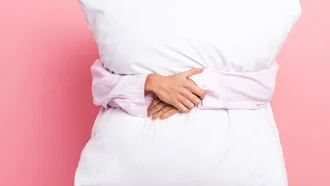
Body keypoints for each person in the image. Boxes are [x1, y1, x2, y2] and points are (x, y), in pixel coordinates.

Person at [74, 0, 302, 185]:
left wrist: (193, 87)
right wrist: (152, 84)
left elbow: (262, 87)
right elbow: (101, 88)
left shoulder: (266, 8)